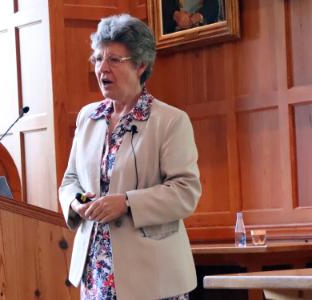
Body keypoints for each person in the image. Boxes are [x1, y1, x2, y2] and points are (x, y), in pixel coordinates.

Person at [59, 14, 201, 300]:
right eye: (98, 59)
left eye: (113, 60)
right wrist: (78, 202)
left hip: (152, 277)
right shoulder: (89, 117)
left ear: (140, 65)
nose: (102, 68)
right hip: (97, 272)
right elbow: (70, 180)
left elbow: (186, 192)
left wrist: (125, 203)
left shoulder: (170, 121)